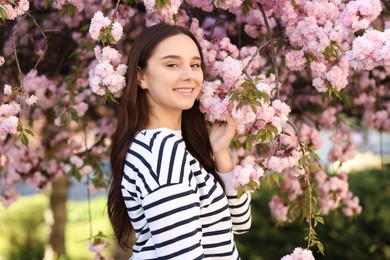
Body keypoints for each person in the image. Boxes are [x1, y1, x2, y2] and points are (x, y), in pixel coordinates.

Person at [108, 23, 252, 259]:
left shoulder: (179, 146)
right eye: (172, 64)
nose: (189, 75)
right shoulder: (161, 151)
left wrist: (220, 153)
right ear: (141, 76)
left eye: (195, 65)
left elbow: (239, 223)